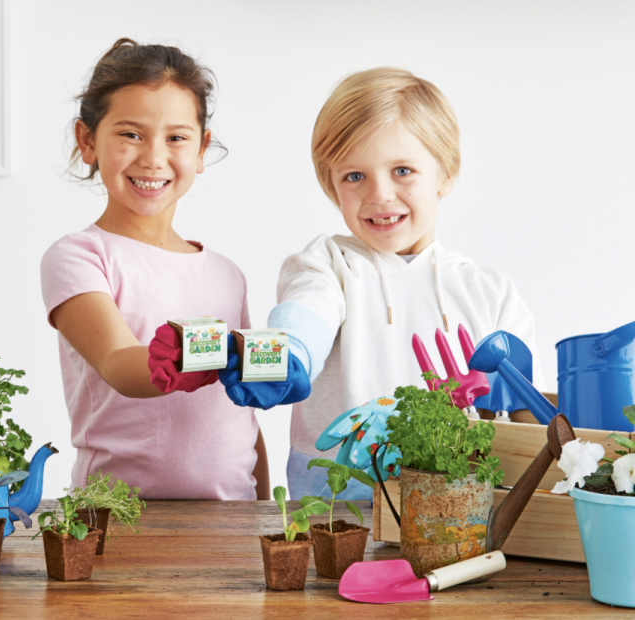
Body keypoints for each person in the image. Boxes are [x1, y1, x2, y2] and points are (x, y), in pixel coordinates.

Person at [220, 67, 545, 500]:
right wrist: (284, 358)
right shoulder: (327, 264)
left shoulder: (491, 292)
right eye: (355, 176)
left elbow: (528, 416)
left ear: (445, 174)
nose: (380, 194)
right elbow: (305, 319)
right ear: (333, 186)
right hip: (337, 516)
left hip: (457, 517)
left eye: (403, 171)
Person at [40, 39, 268, 501]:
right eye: (130, 134)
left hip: (232, 516)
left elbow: (242, 415)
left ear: (202, 149)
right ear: (87, 141)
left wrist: (262, 510)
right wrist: (221, 352)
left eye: (176, 138)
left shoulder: (227, 273)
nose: (153, 157)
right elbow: (121, 365)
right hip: (116, 515)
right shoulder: (79, 256)